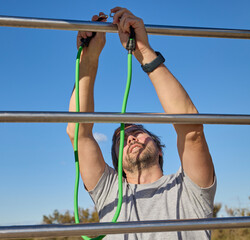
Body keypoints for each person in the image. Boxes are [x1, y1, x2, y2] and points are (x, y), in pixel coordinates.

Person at [67, 7, 216, 240]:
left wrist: (143, 51)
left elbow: (191, 129)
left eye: (137, 132)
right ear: (118, 165)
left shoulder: (189, 187)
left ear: (159, 150)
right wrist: (89, 57)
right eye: (121, 140)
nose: (131, 137)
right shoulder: (109, 191)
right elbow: (78, 132)